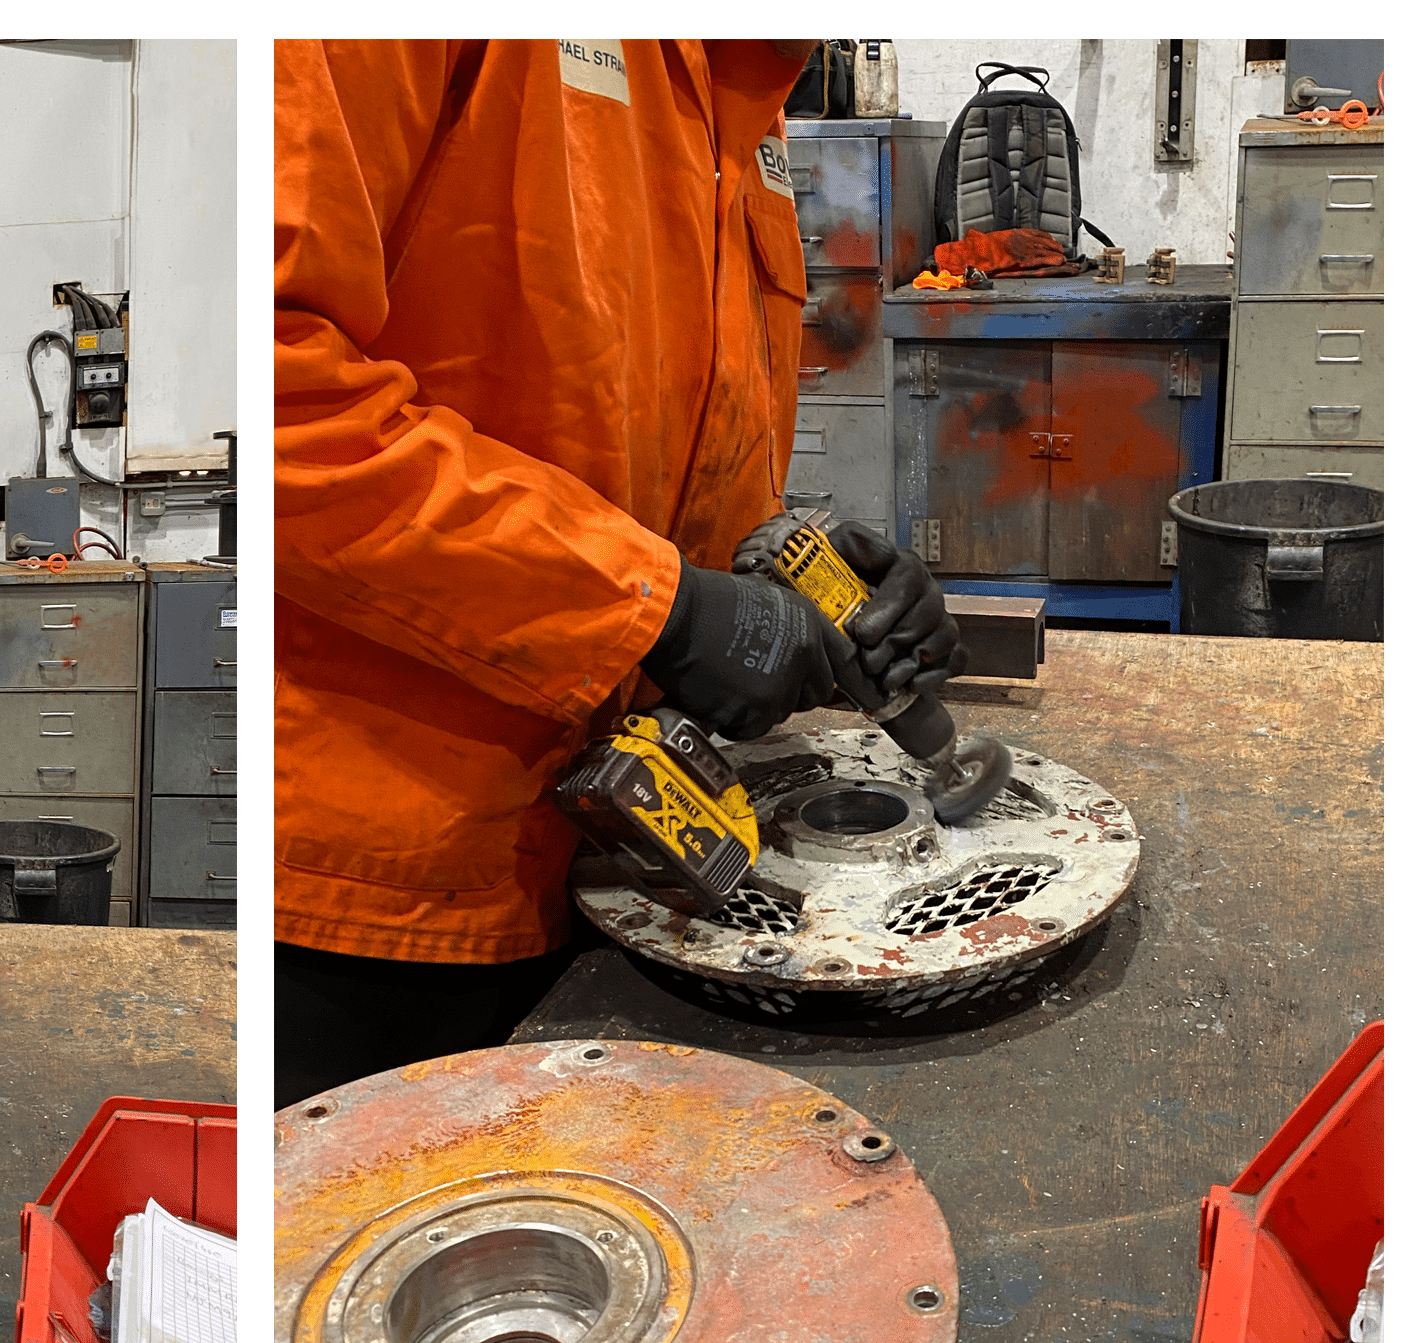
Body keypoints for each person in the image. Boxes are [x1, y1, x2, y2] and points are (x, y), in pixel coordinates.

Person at [274, 40, 966, 1106]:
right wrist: (656, 609)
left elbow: (657, 453)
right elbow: (283, 404)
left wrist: (799, 573)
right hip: (393, 901)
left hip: (637, 854)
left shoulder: (739, 88)